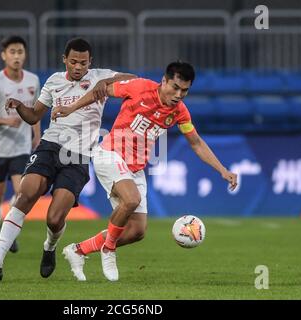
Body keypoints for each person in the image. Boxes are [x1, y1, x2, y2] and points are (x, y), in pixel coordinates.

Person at [52, 61, 238, 281]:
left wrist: (222, 170)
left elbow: (196, 142)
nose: (179, 94)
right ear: (164, 81)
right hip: (109, 154)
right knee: (131, 199)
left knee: (136, 231)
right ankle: (108, 249)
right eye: (175, 87)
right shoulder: (139, 87)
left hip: (135, 169)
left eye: (185, 91)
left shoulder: (179, 112)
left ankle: (78, 250)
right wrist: (70, 108)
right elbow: (101, 91)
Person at [0, 37, 136, 281]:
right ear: (64, 59)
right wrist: (20, 106)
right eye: (73, 61)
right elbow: (33, 117)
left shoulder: (99, 76)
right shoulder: (53, 81)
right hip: (50, 147)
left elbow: (135, 81)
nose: (78, 67)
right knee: (26, 193)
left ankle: (49, 247)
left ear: (90, 62)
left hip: (79, 156)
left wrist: (107, 81)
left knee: (54, 219)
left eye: (83, 63)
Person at [0, 35, 41, 259]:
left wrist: (36, 134)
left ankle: (9, 232)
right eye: (12, 52)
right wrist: (5, 121)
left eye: (20, 52)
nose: (16, 56)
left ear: (25, 55)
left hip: (21, 148)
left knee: (23, 191)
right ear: (4, 55)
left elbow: (35, 111)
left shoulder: (33, 80)